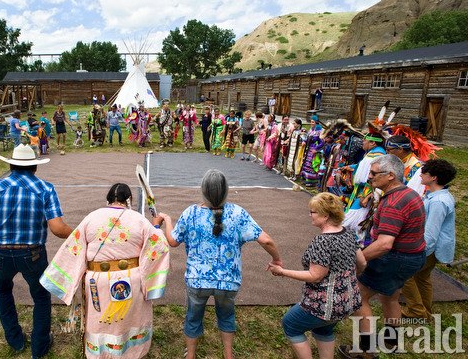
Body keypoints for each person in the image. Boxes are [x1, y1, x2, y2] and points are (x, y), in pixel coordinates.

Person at [159, 169, 282, 359]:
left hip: (196, 280)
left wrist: (167, 220)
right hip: (228, 282)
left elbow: (173, 241)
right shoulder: (238, 213)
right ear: (226, 190)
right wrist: (276, 260)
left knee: (193, 317)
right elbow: (266, 240)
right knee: (226, 316)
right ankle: (228, 355)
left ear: (202, 190)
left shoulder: (191, 213)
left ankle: (190, 355)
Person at [0, 144, 73, 359]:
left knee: (3, 291)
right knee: (40, 296)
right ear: (35, 167)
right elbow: (58, 229)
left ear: (11, 165)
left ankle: (15, 340)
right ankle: (39, 347)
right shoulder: (45, 189)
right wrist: (81, 234)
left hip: (0, 253)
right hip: (32, 253)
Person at [41, 183, 170, 359]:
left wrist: (63, 279)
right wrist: (155, 227)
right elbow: (160, 245)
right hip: (131, 281)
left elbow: (74, 247)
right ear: (129, 200)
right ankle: (130, 353)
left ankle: (101, 354)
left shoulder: (91, 218)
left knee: (101, 322)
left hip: (97, 283)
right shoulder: (139, 220)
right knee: (128, 320)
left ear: (107, 200)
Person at [339, 154, 426, 358]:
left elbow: (385, 244)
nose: (369, 177)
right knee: (390, 297)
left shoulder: (393, 203)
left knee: (358, 297)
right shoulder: (408, 194)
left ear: (390, 176)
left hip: (395, 259)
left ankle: (366, 351)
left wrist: (357, 258)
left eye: (373, 173)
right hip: (413, 257)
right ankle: (391, 341)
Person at [269, 192, 365, 359]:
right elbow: (362, 263)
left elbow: (315, 276)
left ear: (325, 215)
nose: (310, 215)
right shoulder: (348, 233)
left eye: (313, 212)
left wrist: (282, 272)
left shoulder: (323, 241)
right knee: (324, 328)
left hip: (324, 305)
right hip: (348, 301)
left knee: (290, 324)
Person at [401, 159, 457, 321]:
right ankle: (425, 311)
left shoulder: (439, 202)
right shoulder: (437, 196)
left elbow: (431, 233)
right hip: (432, 247)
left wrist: (418, 251)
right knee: (422, 278)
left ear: (434, 178)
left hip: (429, 248)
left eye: (424, 173)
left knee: (405, 275)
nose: (421, 174)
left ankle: (416, 311)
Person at [341, 133, 385, 244]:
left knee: (355, 220)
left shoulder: (378, 155)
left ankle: (355, 245)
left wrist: (366, 196)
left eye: (364, 141)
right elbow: (362, 166)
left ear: (373, 143)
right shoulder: (372, 153)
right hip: (360, 191)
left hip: (366, 194)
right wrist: (350, 167)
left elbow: (374, 178)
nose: (362, 143)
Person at [299, 115, 324, 186]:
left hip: (314, 151)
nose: (311, 123)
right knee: (306, 165)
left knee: (312, 166)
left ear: (316, 122)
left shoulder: (319, 130)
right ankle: (306, 180)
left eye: (313, 122)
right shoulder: (311, 129)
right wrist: (304, 141)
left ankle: (312, 182)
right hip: (309, 150)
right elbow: (308, 138)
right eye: (311, 122)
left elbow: (322, 142)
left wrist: (316, 149)